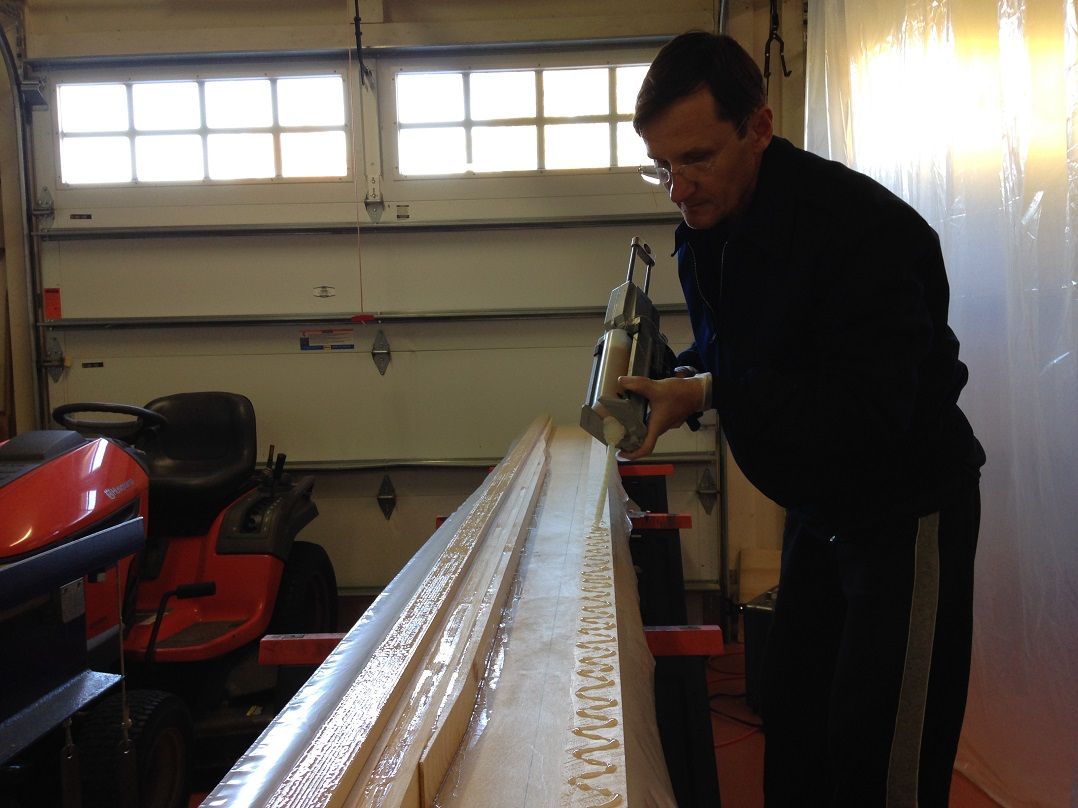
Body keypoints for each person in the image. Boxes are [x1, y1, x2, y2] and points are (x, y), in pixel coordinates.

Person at [619, 31, 986, 807]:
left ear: (759, 127)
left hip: (904, 509)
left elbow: (866, 408)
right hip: (819, 510)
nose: (678, 189)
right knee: (795, 723)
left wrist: (711, 391)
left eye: (696, 158)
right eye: (662, 165)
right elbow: (739, 350)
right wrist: (671, 377)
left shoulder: (864, 231)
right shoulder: (711, 229)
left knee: (882, 754)